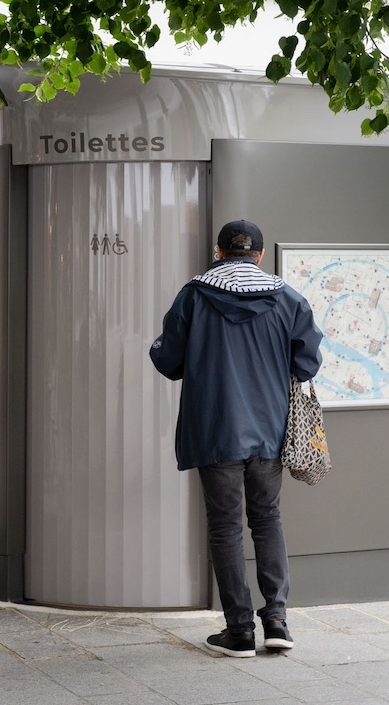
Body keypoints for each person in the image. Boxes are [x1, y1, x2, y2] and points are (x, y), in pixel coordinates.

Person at [150, 220, 323, 658]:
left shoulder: (193, 294)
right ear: (259, 255)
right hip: (269, 428)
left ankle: (239, 630)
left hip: (214, 428)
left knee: (225, 527)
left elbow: (169, 360)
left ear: (219, 250)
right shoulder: (288, 298)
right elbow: (307, 364)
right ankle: (278, 620)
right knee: (267, 519)